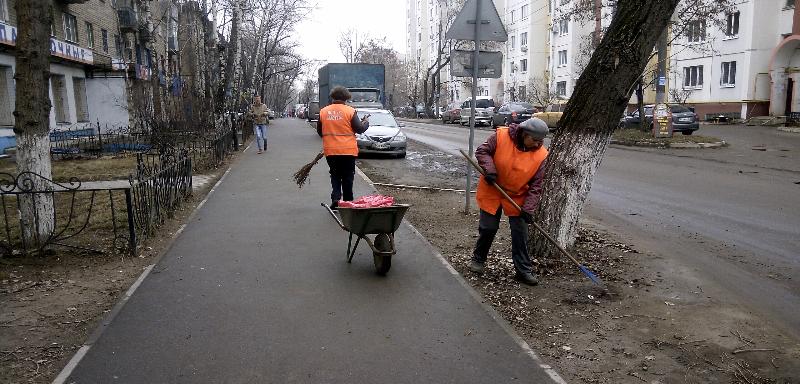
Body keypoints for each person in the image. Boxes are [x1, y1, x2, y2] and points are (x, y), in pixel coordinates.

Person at [469, 118, 549, 286]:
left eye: (540, 142)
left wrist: (529, 208)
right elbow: (482, 151)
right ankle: (478, 259)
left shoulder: (542, 155)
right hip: (493, 189)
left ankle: (523, 270)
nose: (537, 145)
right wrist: (490, 170)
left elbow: (537, 185)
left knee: (520, 232)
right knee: (488, 228)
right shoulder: (501, 136)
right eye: (534, 140)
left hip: (517, 196)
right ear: (524, 134)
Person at [316, 86, 369, 208]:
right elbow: (359, 129)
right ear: (346, 98)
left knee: (335, 174)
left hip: (331, 151)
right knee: (347, 176)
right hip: (348, 151)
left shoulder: (324, 111)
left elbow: (320, 131)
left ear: (333, 97)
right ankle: (348, 201)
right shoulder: (350, 111)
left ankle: (336, 198)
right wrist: (366, 122)